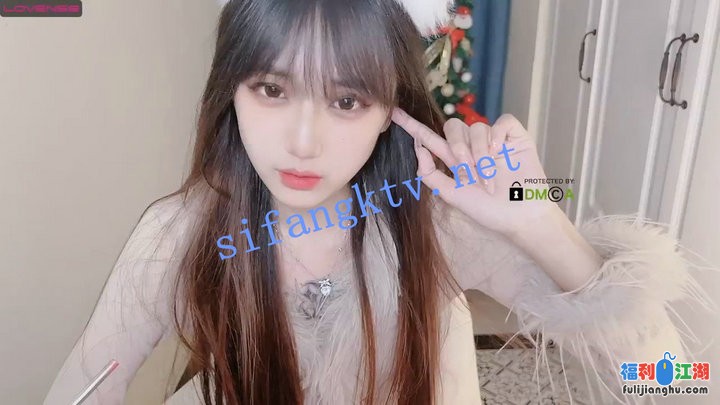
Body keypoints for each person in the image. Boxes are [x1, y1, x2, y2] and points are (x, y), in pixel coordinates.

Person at [44, 0, 717, 404]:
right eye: (272, 90)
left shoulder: (438, 219)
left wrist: (540, 219)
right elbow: (84, 384)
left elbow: (679, 385)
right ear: (231, 90)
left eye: (346, 100)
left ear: (392, 107)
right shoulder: (181, 232)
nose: (302, 142)